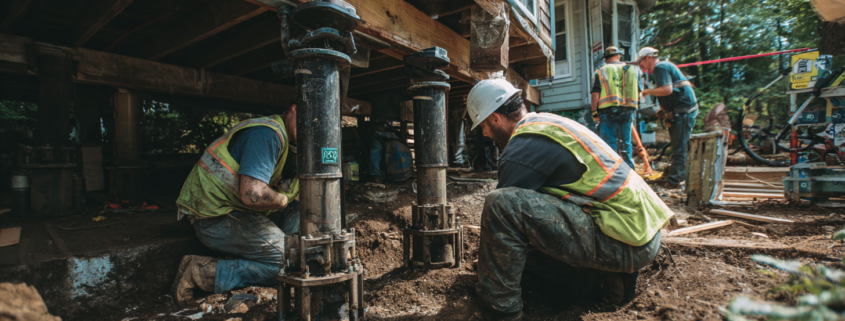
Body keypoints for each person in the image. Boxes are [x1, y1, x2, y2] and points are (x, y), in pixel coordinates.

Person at [466, 79, 673, 321]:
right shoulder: (546, 124)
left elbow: (503, 223)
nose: (486, 134)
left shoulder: (521, 148)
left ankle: (500, 312)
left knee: (500, 207)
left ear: (495, 118)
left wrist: (487, 271)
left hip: (625, 237)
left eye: (483, 126)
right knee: (523, 255)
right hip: (638, 233)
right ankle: (602, 282)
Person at [170, 104, 301, 304]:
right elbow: (252, 194)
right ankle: (201, 272)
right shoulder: (267, 134)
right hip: (215, 218)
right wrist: (282, 199)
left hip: (234, 210)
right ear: (293, 109)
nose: (311, 128)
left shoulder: (280, 136)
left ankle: (261, 257)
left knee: (297, 218)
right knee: (292, 264)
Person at [637, 47, 699, 188]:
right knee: (679, 147)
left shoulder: (660, 67)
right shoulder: (663, 67)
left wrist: (646, 92)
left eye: (641, 61)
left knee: (680, 149)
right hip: (681, 111)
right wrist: (665, 113)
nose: (640, 65)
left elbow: (667, 90)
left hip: (683, 112)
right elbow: (665, 93)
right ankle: (675, 177)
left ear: (648, 57)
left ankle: (676, 181)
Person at [591, 46, 642, 169]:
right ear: (618, 56)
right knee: (626, 142)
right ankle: (629, 170)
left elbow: (595, 93)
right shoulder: (633, 70)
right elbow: (639, 92)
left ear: (606, 59)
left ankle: (612, 170)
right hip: (628, 109)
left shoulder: (601, 71)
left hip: (607, 110)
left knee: (609, 143)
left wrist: (594, 113)